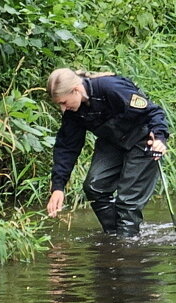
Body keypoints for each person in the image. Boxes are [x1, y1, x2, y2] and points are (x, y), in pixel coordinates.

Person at [46, 68, 169, 237]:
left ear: (75, 90)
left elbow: (153, 111)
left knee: (127, 202)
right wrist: (58, 187)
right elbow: (67, 147)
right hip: (112, 142)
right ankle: (116, 235)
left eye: (63, 102)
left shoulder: (111, 88)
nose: (63, 109)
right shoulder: (72, 113)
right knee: (94, 188)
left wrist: (160, 137)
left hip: (143, 140)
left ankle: (127, 245)